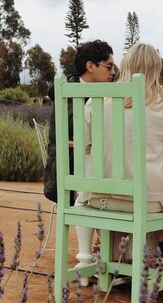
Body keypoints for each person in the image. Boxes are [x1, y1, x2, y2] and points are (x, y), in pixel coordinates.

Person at [85, 42, 163, 289]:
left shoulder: (96, 101)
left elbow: (87, 144)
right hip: (143, 199)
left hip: (99, 198)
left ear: (125, 67)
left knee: (127, 201)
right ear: (157, 70)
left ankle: (118, 264)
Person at [44, 39, 116, 279]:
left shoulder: (89, 91)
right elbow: (75, 136)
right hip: (70, 166)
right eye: (109, 66)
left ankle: (110, 252)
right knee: (118, 180)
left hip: (82, 161)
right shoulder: (72, 94)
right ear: (91, 66)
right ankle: (105, 254)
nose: (113, 73)